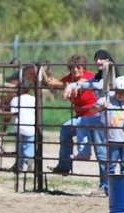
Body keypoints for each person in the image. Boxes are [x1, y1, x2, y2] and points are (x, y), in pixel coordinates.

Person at [47, 55, 103, 188]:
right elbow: (61, 84)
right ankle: (64, 165)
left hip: (94, 116)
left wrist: (59, 84)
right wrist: (51, 82)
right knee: (65, 129)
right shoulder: (69, 79)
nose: (75, 70)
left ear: (84, 68)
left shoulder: (90, 76)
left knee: (100, 150)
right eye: (72, 67)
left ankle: (104, 184)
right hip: (80, 117)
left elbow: (82, 81)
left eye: (78, 67)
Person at [92, 76, 124, 182]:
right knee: (111, 164)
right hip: (112, 139)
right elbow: (92, 110)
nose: (121, 95)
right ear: (115, 90)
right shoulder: (107, 100)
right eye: (119, 92)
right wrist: (101, 107)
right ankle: (108, 187)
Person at [9, 80, 36, 172]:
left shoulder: (15, 100)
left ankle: (19, 166)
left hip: (19, 127)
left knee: (19, 147)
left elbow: (14, 114)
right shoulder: (34, 99)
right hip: (31, 127)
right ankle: (29, 160)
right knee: (29, 145)